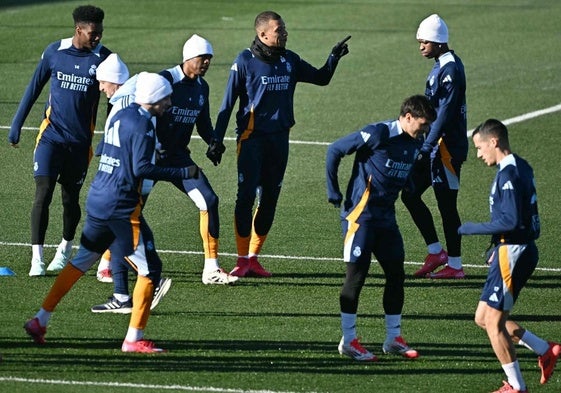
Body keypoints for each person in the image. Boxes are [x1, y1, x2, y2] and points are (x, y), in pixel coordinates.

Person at [24, 72, 200, 353]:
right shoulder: (143, 125)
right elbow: (141, 168)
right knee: (150, 269)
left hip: (98, 198)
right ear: (154, 99)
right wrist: (182, 171)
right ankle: (133, 339)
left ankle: (40, 318)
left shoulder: (120, 114)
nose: (169, 102)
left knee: (82, 260)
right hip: (121, 208)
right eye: (166, 97)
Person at [214, 10, 350, 277]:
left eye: (284, 29)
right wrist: (216, 139)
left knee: (270, 198)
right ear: (262, 34)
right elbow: (228, 103)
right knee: (245, 197)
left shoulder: (290, 59)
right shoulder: (244, 61)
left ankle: (253, 258)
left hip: (279, 140)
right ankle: (241, 260)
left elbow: (322, 78)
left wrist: (334, 58)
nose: (285, 33)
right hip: (251, 140)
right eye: (279, 30)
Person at [326, 95, 437, 362]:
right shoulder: (378, 133)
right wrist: (333, 190)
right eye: (422, 124)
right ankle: (349, 340)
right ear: (408, 116)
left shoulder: (415, 142)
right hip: (360, 218)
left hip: (386, 220)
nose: (425, 130)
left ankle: (393, 338)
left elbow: (402, 172)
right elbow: (335, 150)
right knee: (357, 277)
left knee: (396, 275)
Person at [8, 5, 112, 277]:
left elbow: (116, 99)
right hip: (51, 136)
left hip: (80, 144)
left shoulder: (104, 58)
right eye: (93, 33)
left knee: (70, 200)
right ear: (79, 30)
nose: (98, 37)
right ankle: (37, 259)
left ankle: (64, 249)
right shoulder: (55, 52)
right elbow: (34, 88)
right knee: (43, 192)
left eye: (100, 32)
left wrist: (108, 137)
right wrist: (16, 124)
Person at [458, 119, 560, 392]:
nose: (478, 154)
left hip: (514, 251)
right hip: (510, 249)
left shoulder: (510, 173)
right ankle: (544, 349)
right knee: (483, 317)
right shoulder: (520, 167)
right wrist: (495, 245)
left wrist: (471, 228)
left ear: (494, 141)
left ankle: (516, 387)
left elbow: (511, 220)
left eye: (480, 147)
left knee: (493, 322)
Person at [91, 54, 172, 313]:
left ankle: (150, 280)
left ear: (113, 81)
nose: (101, 88)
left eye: (103, 82)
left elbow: (121, 140)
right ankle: (122, 294)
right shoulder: (129, 96)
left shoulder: (125, 102)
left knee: (124, 233)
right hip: (130, 176)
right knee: (120, 233)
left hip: (126, 180)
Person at [401, 14, 468, 279]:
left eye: (425, 42)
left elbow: (445, 114)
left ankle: (455, 265)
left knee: (446, 205)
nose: (420, 47)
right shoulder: (441, 63)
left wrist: (427, 146)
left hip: (445, 149)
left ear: (439, 42)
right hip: (433, 145)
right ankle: (436, 252)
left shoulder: (450, 68)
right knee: (409, 193)